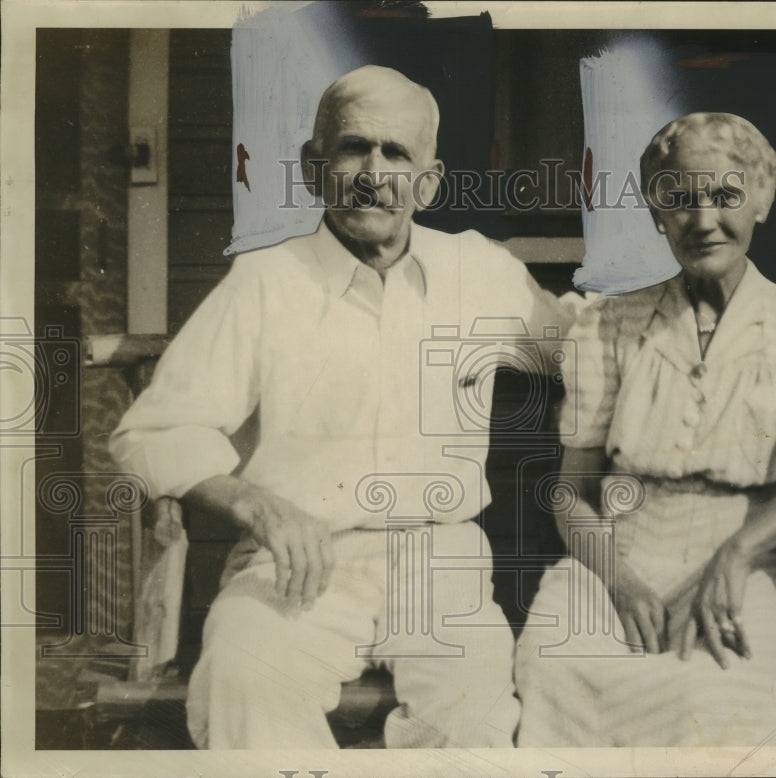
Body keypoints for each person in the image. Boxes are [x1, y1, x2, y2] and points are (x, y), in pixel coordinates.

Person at [110, 65, 571, 749]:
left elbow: (584, 350)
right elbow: (153, 429)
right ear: (314, 165)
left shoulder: (479, 272)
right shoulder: (267, 282)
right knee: (241, 680)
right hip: (296, 565)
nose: (371, 172)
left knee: (475, 723)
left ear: (430, 180)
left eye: (396, 153)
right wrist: (254, 504)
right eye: (353, 147)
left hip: (440, 564)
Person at [514, 112, 776, 746]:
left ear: (760, 199)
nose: (704, 220)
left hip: (747, 556)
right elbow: (570, 491)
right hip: (612, 555)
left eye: (726, 195)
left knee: (713, 695)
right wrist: (619, 582)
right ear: (658, 213)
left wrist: (735, 553)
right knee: (556, 663)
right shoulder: (611, 324)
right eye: (680, 200)